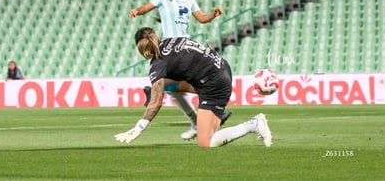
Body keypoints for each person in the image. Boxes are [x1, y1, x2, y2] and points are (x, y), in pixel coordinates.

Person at [114, 27, 272, 147]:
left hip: (214, 85)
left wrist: (138, 128)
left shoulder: (158, 64)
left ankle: (253, 124)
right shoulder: (171, 40)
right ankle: (208, 117)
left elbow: (156, 103)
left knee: (206, 142)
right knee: (166, 84)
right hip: (222, 68)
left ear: (142, 51)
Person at [129, 0, 226, 140]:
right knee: (171, 87)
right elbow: (147, 7)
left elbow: (202, 18)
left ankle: (210, 111)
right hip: (171, 45)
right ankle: (200, 119)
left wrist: (213, 14)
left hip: (184, 46)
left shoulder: (189, 0)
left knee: (171, 85)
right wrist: (137, 11)